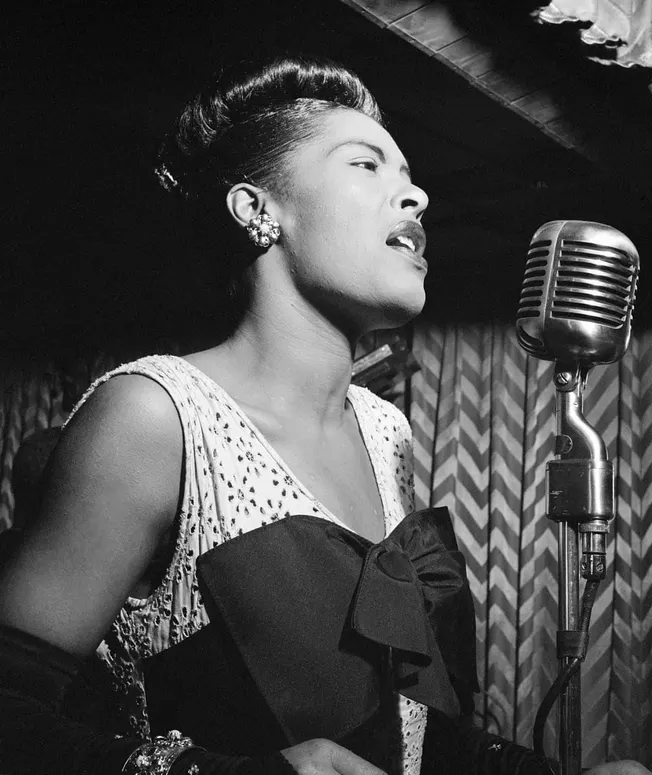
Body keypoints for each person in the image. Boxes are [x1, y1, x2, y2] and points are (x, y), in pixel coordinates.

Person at [0, 54, 649, 775]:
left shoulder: (385, 431)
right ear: (257, 210)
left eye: (410, 176)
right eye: (366, 165)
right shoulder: (155, 415)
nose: (417, 196)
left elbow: (405, 724)